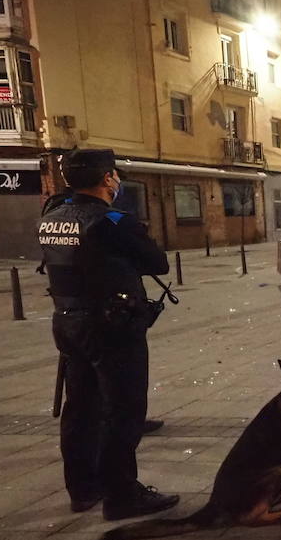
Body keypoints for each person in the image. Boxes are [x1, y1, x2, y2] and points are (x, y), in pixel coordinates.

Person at [37, 149, 179, 520]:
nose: (116, 181)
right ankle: (121, 494)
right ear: (106, 179)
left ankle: (83, 488)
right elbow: (157, 262)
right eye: (114, 175)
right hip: (111, 326)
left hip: (68, 322)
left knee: (80, 408)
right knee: (123, 410)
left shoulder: (52, 216)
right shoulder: (112, 220)